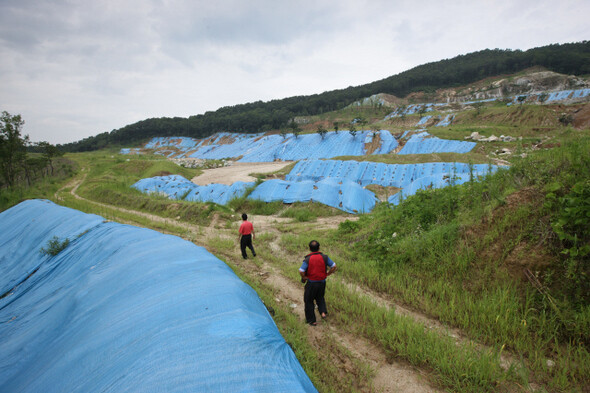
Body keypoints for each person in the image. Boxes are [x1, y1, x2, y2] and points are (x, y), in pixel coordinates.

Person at [298, 240, 337, 326]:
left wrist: (304, 277)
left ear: (310, 249)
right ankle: (323, 312)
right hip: (322, 282)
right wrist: (328, 274)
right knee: (320, 297)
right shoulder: (325, 257)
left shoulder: (308, 259)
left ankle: (312, 320)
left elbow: (301, 270)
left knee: (308, 300)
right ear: (319, 248)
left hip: (311, 283)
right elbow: (334, 266)